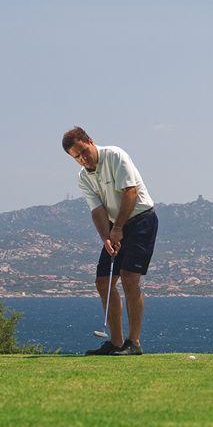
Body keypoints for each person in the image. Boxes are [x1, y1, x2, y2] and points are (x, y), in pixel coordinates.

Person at [61, 126, 157, 355]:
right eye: (76, 157)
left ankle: (133, 343)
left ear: (90, 141)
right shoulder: (84, 177)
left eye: (83, 152)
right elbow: (97, 210)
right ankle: (115, 342)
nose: (82, 159)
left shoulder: (115, 155)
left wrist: (118, 229)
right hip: (116, 226)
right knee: (103, 281)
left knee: (129, 278)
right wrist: (107, 237)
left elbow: (130, 193)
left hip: (141, 219)